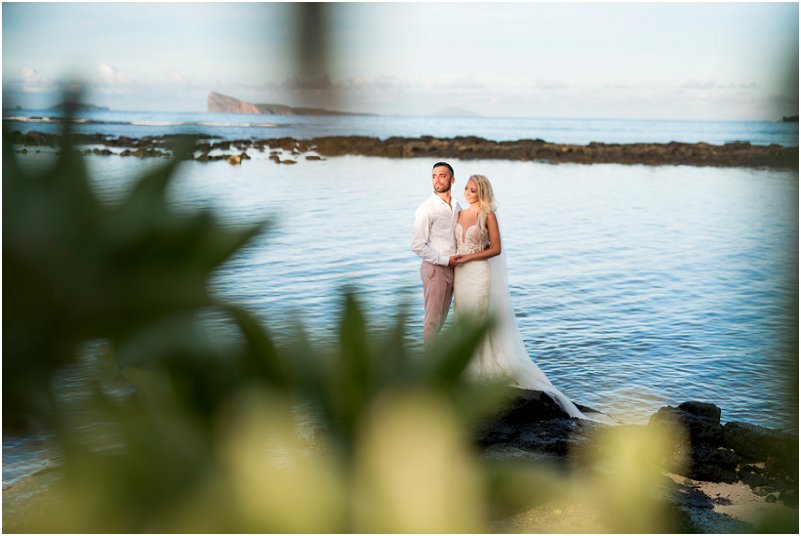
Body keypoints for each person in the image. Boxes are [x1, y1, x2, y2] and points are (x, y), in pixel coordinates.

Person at [452, 174, 608, 422]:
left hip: (479, 273)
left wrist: (469, 257)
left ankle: (482, 368)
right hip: (460, 275)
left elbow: (496, 249)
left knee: (479, 319)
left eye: (471, 190)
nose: (466, 192)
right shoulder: (458, 213)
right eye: (466, 188)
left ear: (480, 192)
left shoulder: (487, 215)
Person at [411, 162, 462, 344]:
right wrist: (445, 260)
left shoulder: (457, 206)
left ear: (452, 179)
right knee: (432, 322)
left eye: (442, 175)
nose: (437, 180)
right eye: (434, 176)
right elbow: (417, 245)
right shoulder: (426, 208)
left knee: (441, 321)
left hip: (453, 269)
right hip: (435, 269)